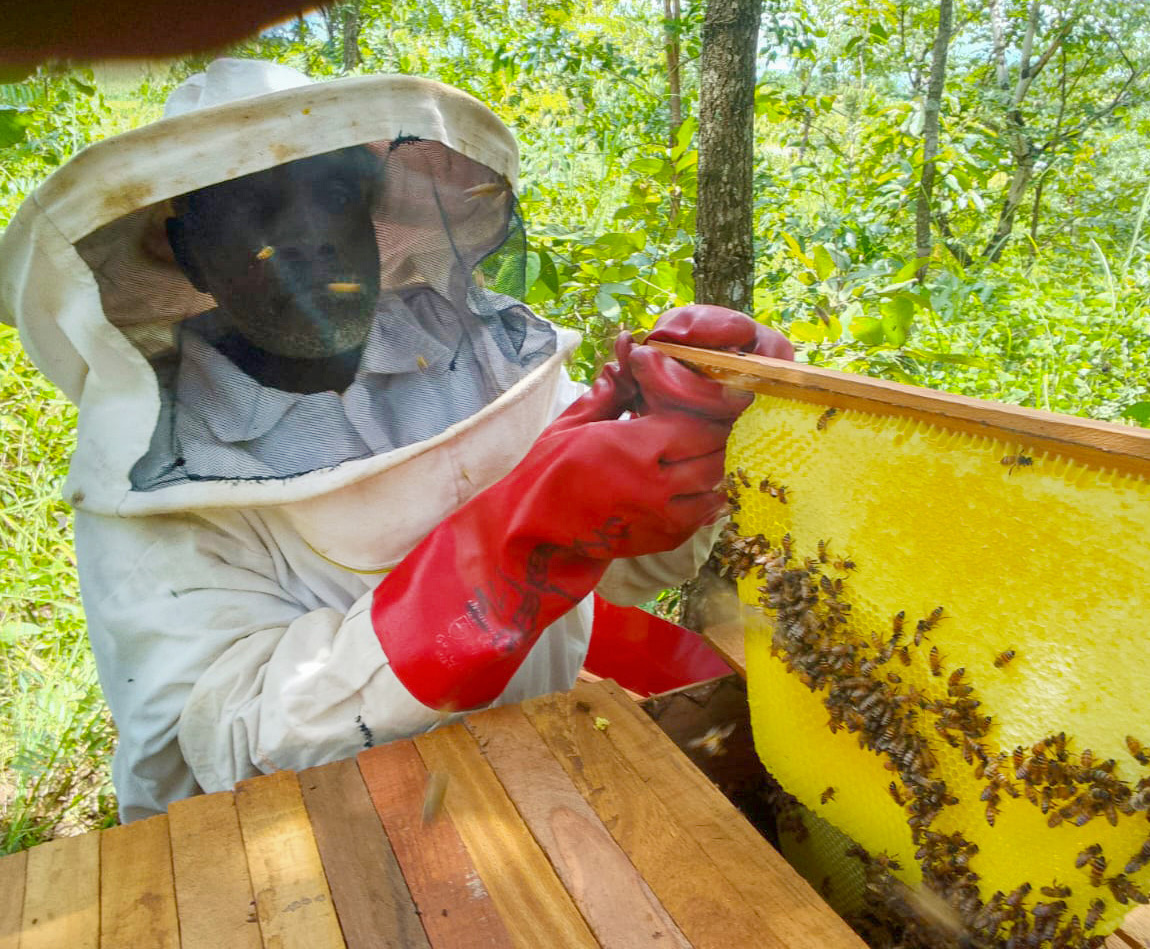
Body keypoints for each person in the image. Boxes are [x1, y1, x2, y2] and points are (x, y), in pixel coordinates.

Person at [0, 58, 792, 820]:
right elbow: (234, 744)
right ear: (188, 250)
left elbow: (623, 574)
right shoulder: (157, 475)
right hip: (302, 863)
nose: (308, 234)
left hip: (536, 786)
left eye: (335, 193)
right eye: (256, 204)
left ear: (372, 216)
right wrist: (504, 551)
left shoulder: (480, 357)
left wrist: (694, 435)